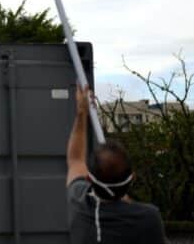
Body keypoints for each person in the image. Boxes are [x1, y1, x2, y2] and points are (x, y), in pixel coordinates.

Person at [66, 86, 166, 243]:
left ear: (89, 179)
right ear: (132, 178)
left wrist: (81, 112)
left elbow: (76, 159)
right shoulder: (148, 218)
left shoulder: (79, 202)